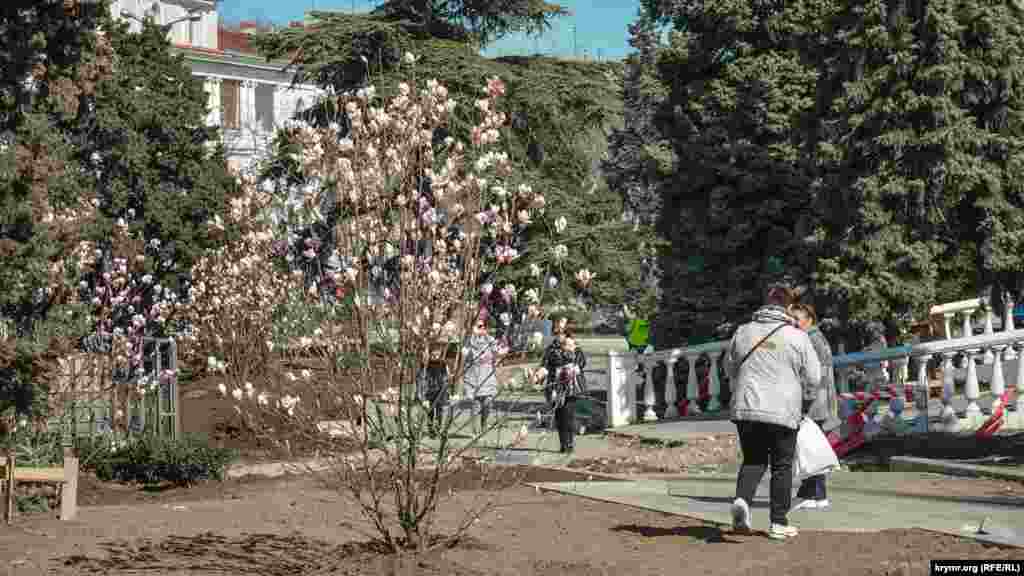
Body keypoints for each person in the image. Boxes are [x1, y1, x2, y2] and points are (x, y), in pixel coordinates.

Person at [726, 285, 821, 540]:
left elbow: (730, 369)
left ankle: (742, 502)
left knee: (753, 459)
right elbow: (813, 377)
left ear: (765, 303)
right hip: (783, 410)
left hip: (746, 408)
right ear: (788, 307)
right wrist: (806, 404)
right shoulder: (797, 336)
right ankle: (778, 522)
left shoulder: (743, 331)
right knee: (782, 465)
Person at [788, 302, 840, 510]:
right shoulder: (816, 338)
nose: (793, 324)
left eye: (796, 320)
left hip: (815, 402)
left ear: (809, 320)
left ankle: (815, 494)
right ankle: (812, 492)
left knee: (811, 450)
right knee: (812, 449)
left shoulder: (810, 340)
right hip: (820, 400)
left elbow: (813, 376)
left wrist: (803, 403)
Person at [546, 327, 587, 454]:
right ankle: (564, 443)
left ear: (574, 344)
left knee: (568, 416)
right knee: (559, 417)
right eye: (565, 344)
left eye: (570, 344)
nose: (566, 345)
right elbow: (549, 365)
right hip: (557, 389)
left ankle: (569, 442)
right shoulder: (553, 352)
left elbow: (581, 363)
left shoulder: (578, 353)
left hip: (572, 390)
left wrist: (570, 362)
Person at [463, 314, 503, 432]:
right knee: (476, 406)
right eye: (479, 326)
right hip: (474, 378)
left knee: (488, 403)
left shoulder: (489, 340)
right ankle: (475, 431)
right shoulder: (468, 341)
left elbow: (498, 352)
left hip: (487, 378)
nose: (482, 328)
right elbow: (464, 354)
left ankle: (484, 422)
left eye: (483, 326)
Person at [417, 344, 450, 437]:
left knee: (439, 411)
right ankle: (431, 429)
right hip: (429, 391)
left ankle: (438, 428)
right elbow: (421, 377)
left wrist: (446, 383)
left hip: (440, 391)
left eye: (437, 354)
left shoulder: (443, 363)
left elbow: (446, 375)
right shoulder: (425, 364)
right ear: (430, 354)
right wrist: (421, 393)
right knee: (430, 411)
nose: (435, 356)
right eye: (433, 354)